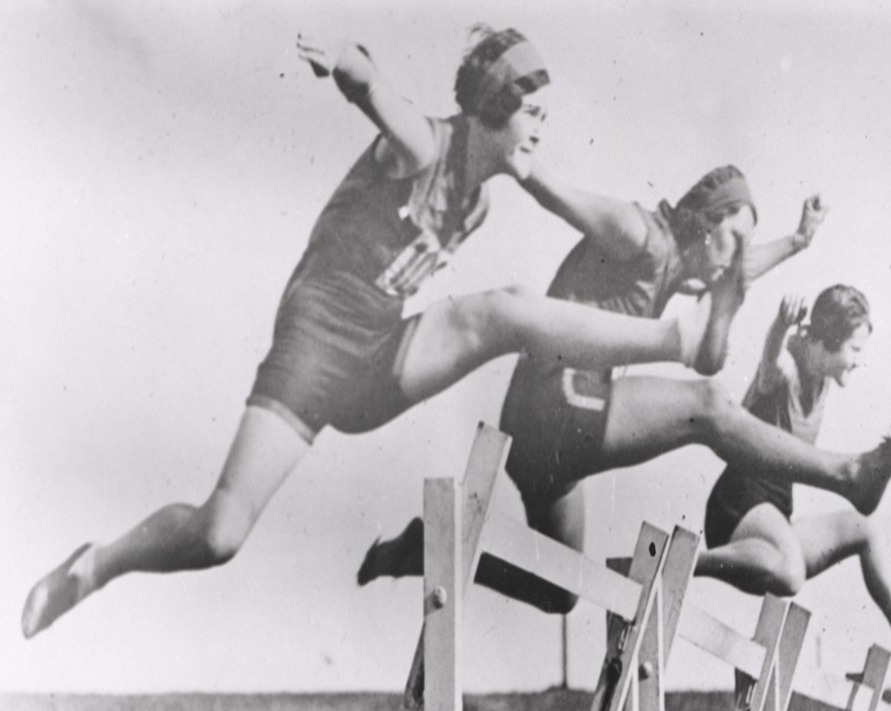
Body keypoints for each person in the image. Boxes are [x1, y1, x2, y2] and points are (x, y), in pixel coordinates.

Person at [21, 25, 730, 639]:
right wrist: (344, 61)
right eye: (534, 113)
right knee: (220, 533)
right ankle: (96, 565)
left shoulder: (478, 205)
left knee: (502, 313)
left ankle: (671, 344)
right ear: (497, 109)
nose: (543, 130)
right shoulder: (425, 147)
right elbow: (374, 90)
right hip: (314, 342)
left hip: (379, 357)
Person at [357, 166, 891, 613]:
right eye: (734, 237)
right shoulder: (641, 233)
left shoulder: (677, 264)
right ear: (705, 222)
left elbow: (738, 270)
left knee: (560, 591)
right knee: (709, 407)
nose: (738, 257)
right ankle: (849, 474)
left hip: (547, 442)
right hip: (555, 402)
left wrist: (798, 242)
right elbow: (567, 201)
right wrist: (520, 166)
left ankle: (427, 547)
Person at [695, 286, 891, 669]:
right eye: (854, 350)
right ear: (826, 341)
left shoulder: (822, 381)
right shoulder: (789, 366)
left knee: (864, 529)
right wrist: (778, 326)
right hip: (737, 505)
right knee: (790, 573)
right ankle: (688, 561)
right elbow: (770, 365)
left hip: (774, 514)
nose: (858, 362)